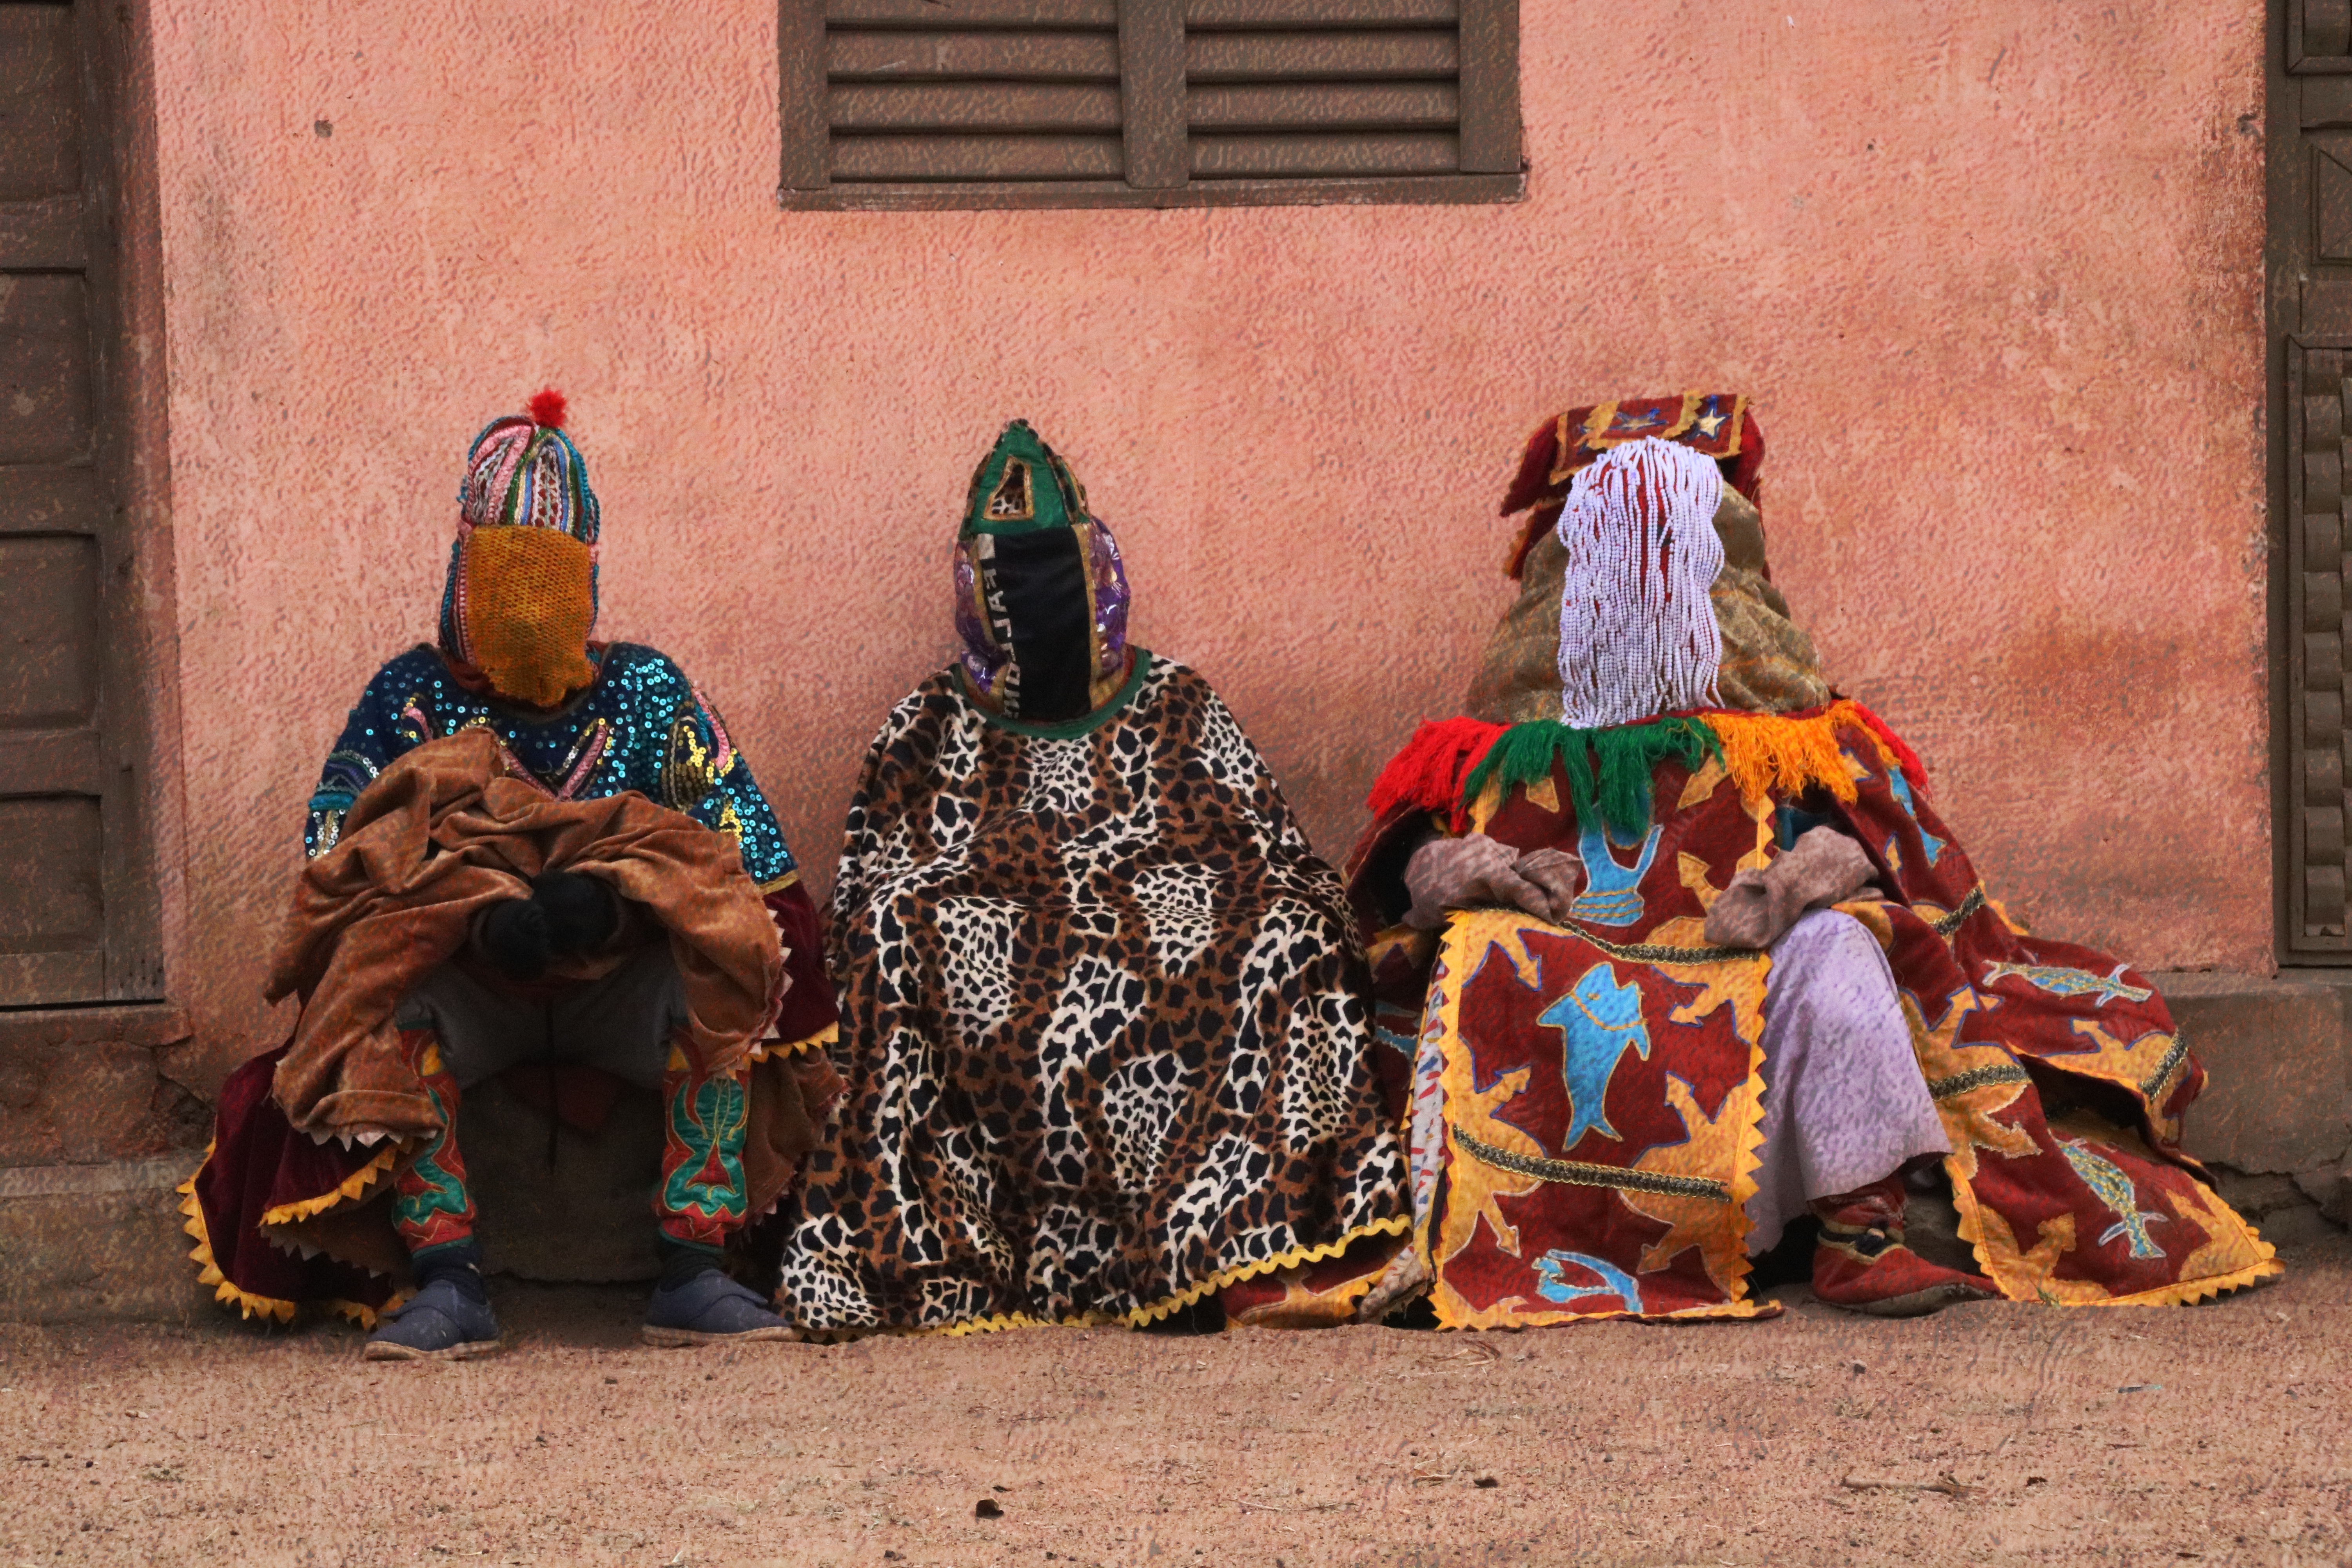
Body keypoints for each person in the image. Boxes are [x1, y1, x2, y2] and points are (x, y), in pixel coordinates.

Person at [1347, 392, 2279, 1324]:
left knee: (1840, 948)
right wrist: (1468, 872)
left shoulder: (1797, 731)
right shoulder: (1485, 744)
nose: (1645, 579)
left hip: (1748, 989)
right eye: (1616, 553)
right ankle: (1467, 1238)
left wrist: (1801, 879)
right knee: (1476, 958)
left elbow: (1887, 857)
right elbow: (1398, 875)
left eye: (1672, 551)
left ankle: (1859, 1228)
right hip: (1571, 988)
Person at [180, 391, 843, 1357]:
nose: (528, 606)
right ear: (461, 568)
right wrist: (470, 916)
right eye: (503, 576)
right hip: (472, 996)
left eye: (552, 577)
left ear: (590, 575)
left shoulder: (652, 690)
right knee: (379, 980)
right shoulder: (408, 697)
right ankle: (450, 1279)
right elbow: (334, 856)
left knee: (730, 952)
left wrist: (621, 896)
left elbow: (752, 861)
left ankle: (692, 1268)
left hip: (617, 991)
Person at [774, 420, 1409, 1335]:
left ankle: (1249, 1250)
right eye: (1013, 584)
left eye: (1058, 577)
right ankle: (955, 1257)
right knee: (884, 936)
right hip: (991, 956)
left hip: (1182, 938)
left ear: (1100, 573)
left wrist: (1143, 899)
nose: (1042, 609)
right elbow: (876, 884)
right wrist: (1021, 899)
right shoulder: (927, 722)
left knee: (1296, 927)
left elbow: (1270, 853)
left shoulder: (1178, 700)